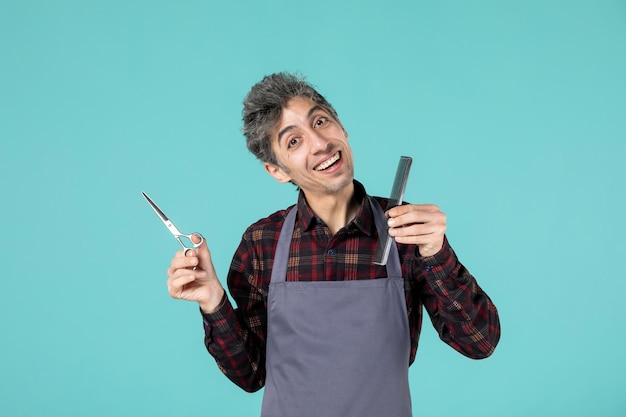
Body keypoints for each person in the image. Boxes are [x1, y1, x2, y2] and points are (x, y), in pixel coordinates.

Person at [166, 72, 500, 417]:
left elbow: (480, 342)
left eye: (321, 121)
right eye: (293, 141)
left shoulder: (407, 231)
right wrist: (212, 301)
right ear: (277, 171)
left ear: (342, 128)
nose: (320, 143)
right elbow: (251, 375)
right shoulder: (261, 243)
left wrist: (436, 253)